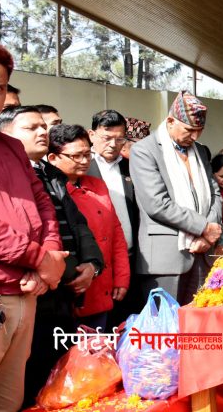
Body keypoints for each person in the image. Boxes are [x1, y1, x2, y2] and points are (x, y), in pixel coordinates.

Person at [0, 36, 66, 412]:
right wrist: (40, 258)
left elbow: (43, 206)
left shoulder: (11, 147)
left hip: (25, 294)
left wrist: (50, 259)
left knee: (8, 401)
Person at [0, 106, 105, 407]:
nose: (43, 132)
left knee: (58, 376)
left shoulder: (51, 174)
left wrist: (92, 265)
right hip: (29, 288)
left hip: (63, 290)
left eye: (43, 126)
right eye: (31, 128)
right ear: (4, 135)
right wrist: (39, 268)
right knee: (26, 379)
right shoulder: (0, 174)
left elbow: (77, 224)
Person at [130, 91, 223, 304]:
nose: (195, 137)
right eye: (189, 130)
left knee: (200, 320)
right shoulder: (144, 150)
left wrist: (208, 234)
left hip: (203, 253)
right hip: (166, 259)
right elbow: (157, 203)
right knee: (166, 322)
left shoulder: (199, 151)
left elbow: (215, 194)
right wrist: (203, 227)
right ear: (170, 121)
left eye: (200, 131)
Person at [48, 124, 130, 330]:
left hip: (102, 282)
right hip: (71, 287)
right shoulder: (49, 192)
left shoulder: (97, 185)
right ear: (53, 158)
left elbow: (116, 233)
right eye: (77, 156)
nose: (85, 161)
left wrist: (121, 276)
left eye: (87, 154)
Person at [87, 109, 141, 327]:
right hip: (95, 262)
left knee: (126, 325)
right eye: (107, 138)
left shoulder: (131, 167)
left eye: (120, 139)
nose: (113, 144)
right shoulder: (82, 167)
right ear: (91, 135)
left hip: (129, 257)